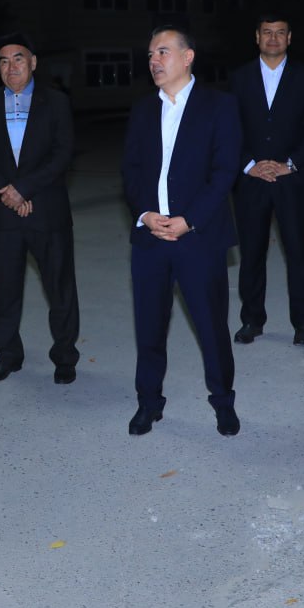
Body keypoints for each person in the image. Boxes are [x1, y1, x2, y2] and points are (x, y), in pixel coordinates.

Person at [121, 26, 243, 436]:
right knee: (149, 328)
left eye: (163, 52)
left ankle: (223, 402)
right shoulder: (142, 110)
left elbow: (225, 171)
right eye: (150, 54)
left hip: (199, 237)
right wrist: (144, 214)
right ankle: (148, 403)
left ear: (188, 57)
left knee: (211, 327)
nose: (154, 61)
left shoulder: (219, 106)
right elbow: (130, 170)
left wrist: (189, 219)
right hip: (150, 238)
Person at [0, 32, 81, 384]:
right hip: (2, 212)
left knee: (60, 287)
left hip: (46, 209)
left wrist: (24, 189)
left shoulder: (56, 101)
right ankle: (9, 353)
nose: (11, 66)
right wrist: (6, 189)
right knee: (4, 288)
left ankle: (64, 356)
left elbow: (62, 152)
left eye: (18, 58)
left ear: (33, 62)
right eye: (3, 61)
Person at [229, 13, 304, 347]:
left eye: (280, 33)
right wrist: (248, 165)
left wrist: (291, 164)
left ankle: (303, 324)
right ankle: (251, 320)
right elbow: (229, 128)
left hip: (293, 181)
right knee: (251, 254)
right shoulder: (239, 78)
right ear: (257, 37)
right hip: (251, 181)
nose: (273, 38)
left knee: (298, 253)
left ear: (289, 38)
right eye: (267, 32)